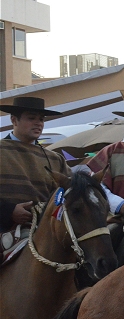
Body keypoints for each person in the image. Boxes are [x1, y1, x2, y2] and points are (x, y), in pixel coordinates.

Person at [0, 97, 71, 235]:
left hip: (47, 232)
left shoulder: (55, 159)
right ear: (14, 120)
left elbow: (70, 192)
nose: (38, 123)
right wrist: (8, 211)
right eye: (31, 118)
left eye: (41, 119)